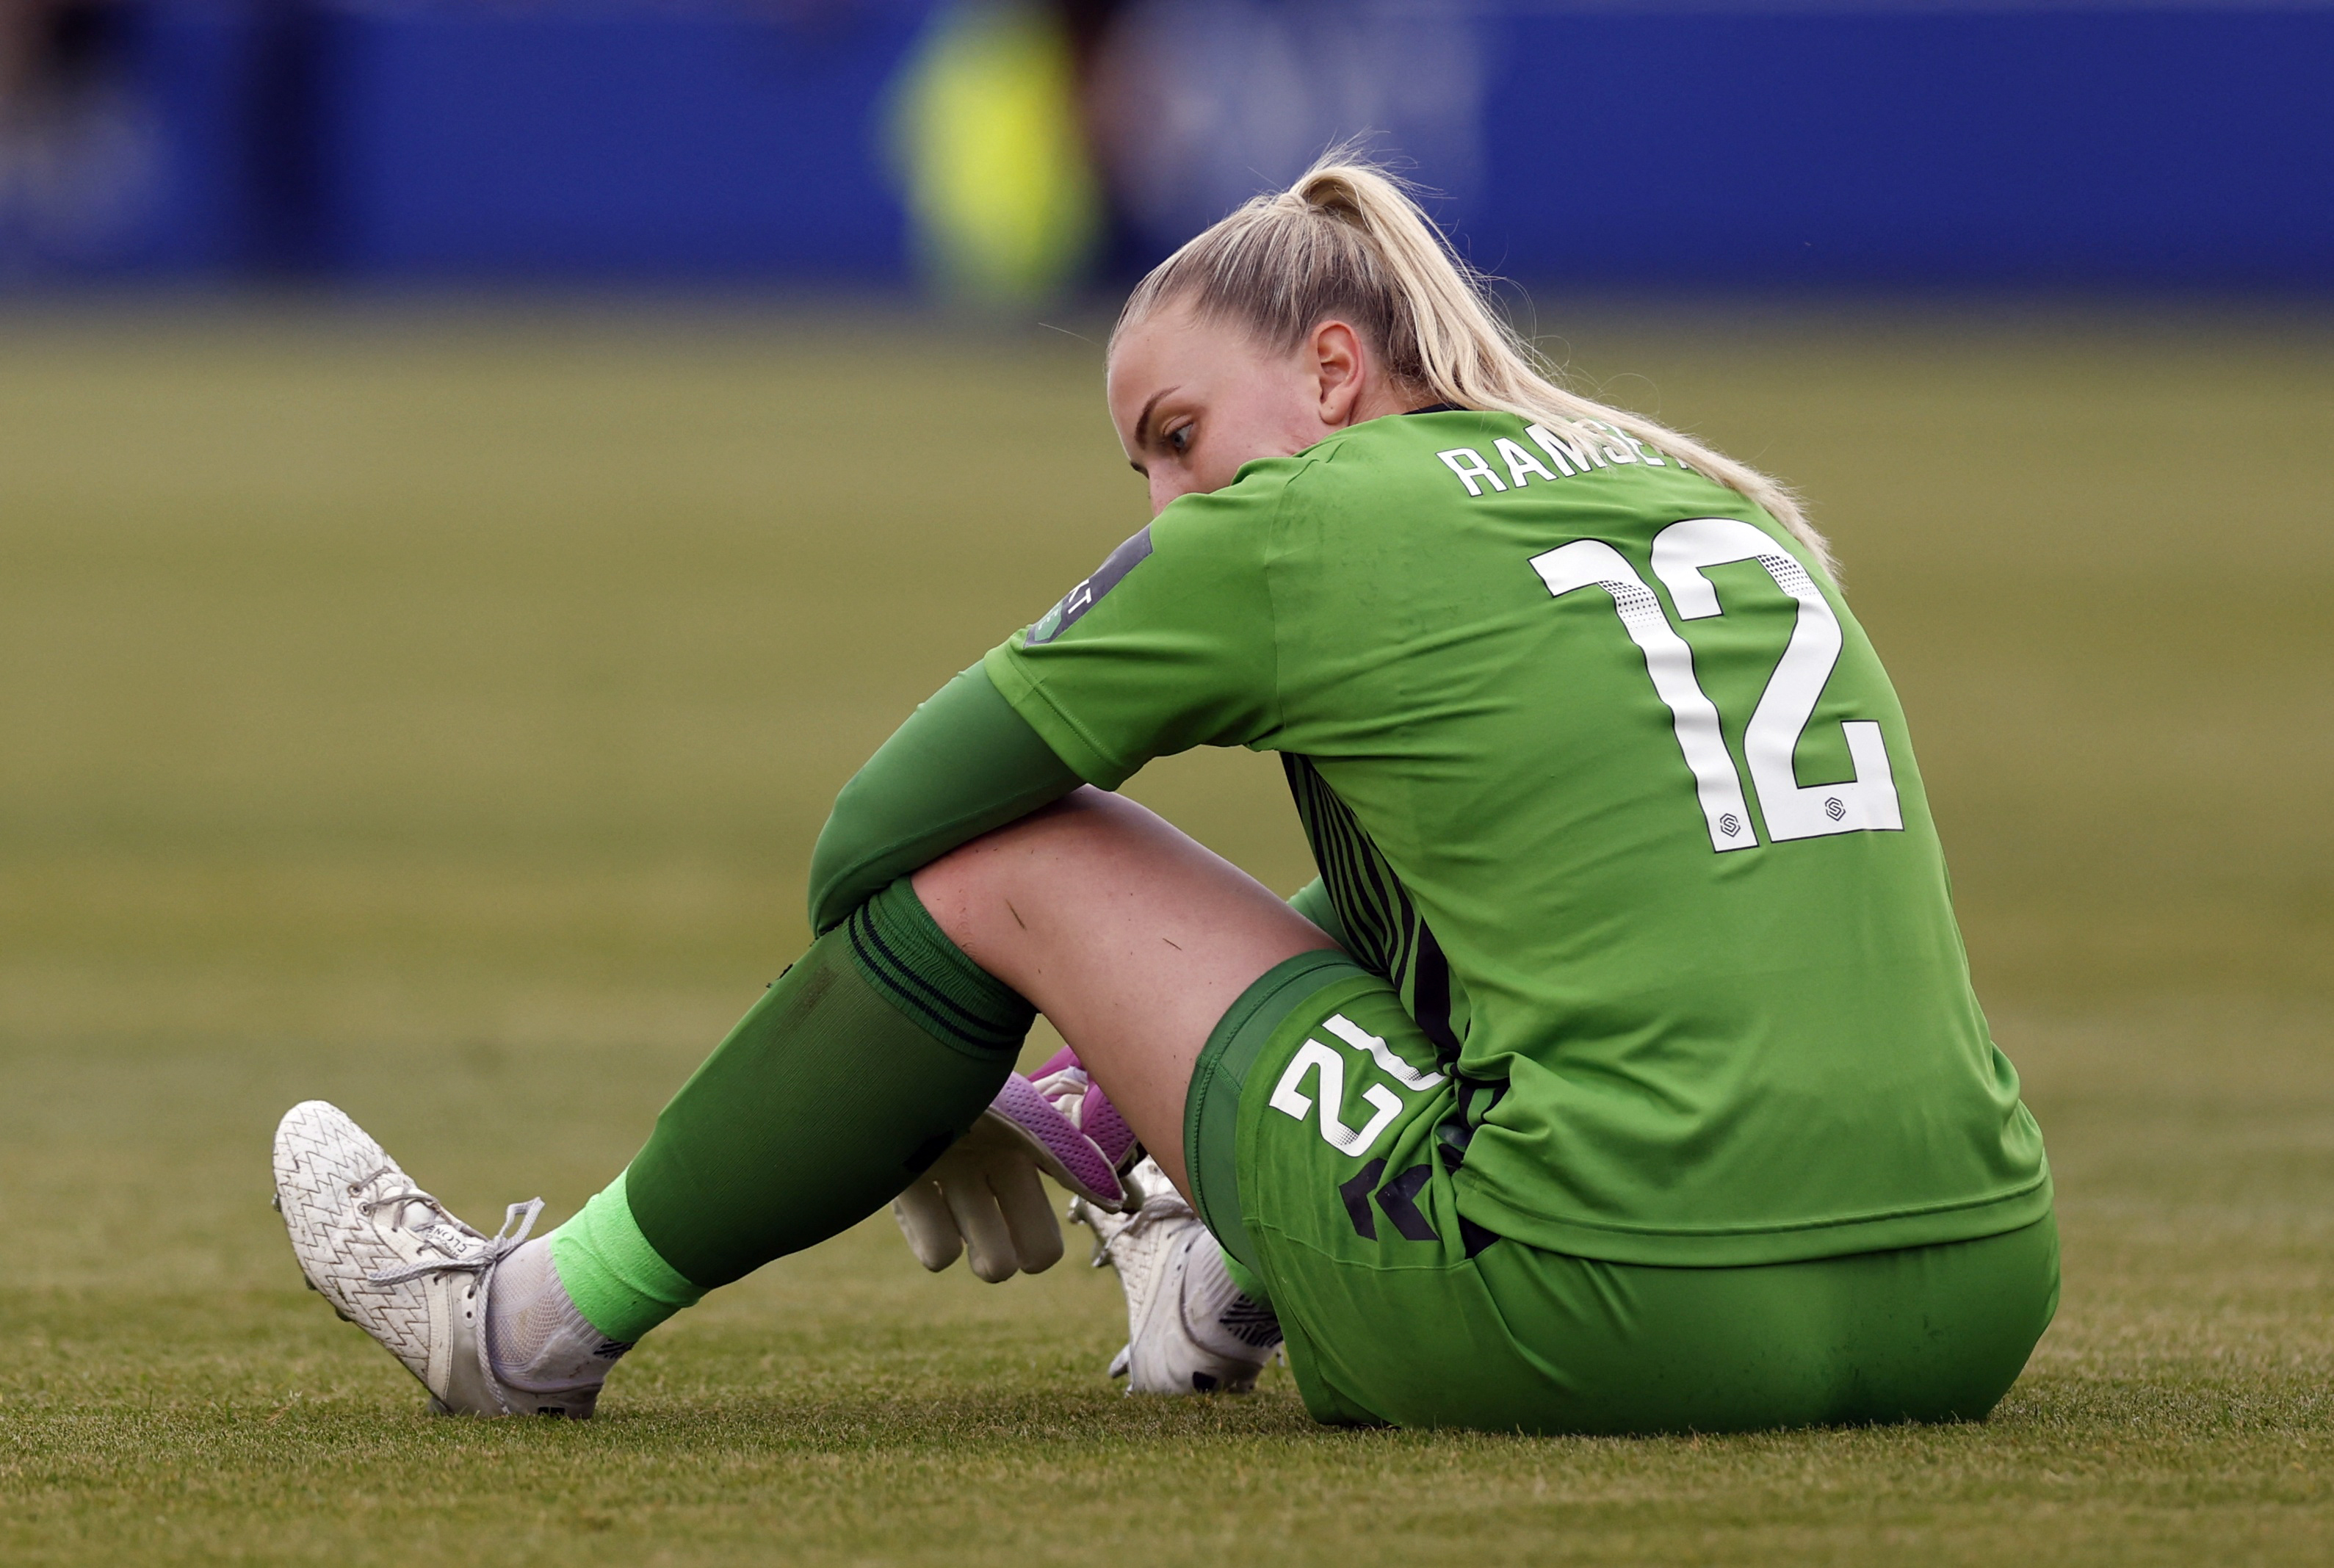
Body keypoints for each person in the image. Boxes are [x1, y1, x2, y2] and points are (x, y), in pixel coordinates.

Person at [271, 156, 2056, 1434]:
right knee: (1438, 899)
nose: (1162, 511)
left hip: (1615, 1312)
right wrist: (1100, 1079)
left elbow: (879, 836)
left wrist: (932, 1057)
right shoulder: (1695, 499)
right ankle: (1218, 1260)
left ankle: (516, 1324)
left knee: (1010, 858)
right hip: (1974, 1294)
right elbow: (1497, 901)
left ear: (1332, 371)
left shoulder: (1305, 523)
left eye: (1177, 437)